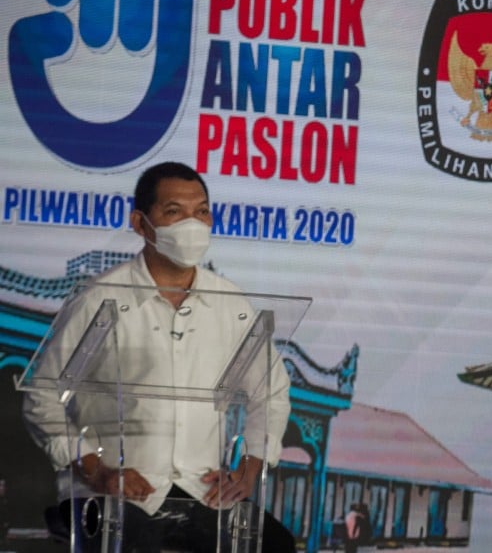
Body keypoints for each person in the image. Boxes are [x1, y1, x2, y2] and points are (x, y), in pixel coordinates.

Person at [22, 161, 295, 553]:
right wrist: (95, 470)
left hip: (200, 492)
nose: (193, 224)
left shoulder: (229, 302)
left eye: (201, 212)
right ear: (139, 223)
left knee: (275, 544)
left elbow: (271, 391)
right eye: (174, 212)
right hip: (107, 494)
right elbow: (42, 398)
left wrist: (251, 467)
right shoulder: (100, 298)